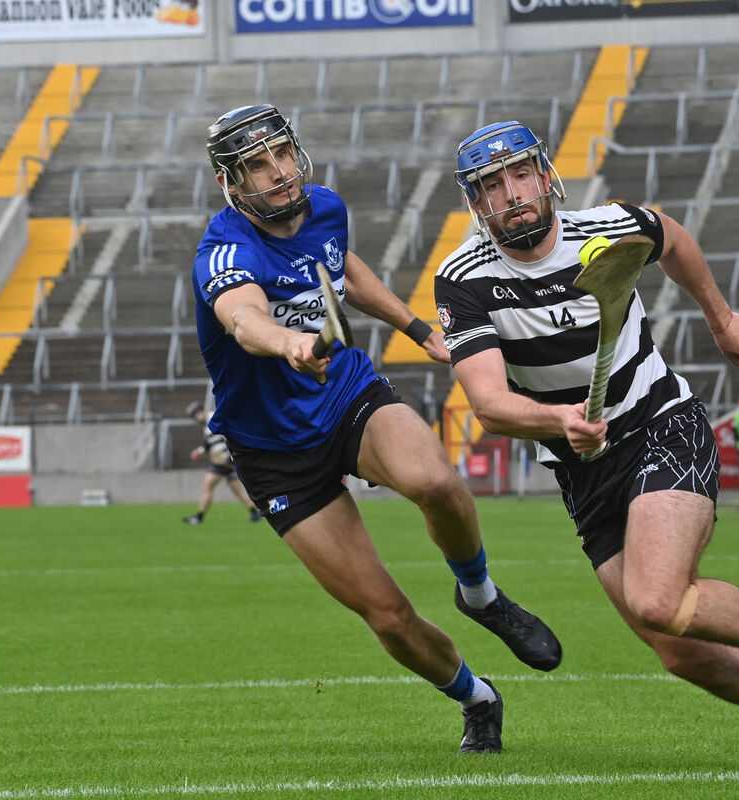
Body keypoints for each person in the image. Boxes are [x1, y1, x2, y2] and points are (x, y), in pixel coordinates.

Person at [435, 120, 739, 771]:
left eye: (519, 174)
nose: (511, 194)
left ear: (543, 175)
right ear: (476, 203)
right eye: (491, 186)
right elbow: (486, 402)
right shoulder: (464, 279)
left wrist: (721, 317)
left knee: (657, 597)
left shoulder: (605, 230)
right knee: (680, 650)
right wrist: (559, 421)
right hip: (584, 469)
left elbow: (671, 236)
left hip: (660, 425)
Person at [191, 104, 564, 754]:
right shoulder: (224, 250)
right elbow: (242, 315)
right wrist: (286, 342)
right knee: (387, 615)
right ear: (230, 182)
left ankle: (479, 594)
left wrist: (416, 329)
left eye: (282, 153)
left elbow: (344, 267)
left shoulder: (325, 206)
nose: (278, 173)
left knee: (436, 482)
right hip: (272, 449)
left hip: (345, 395)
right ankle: (477, 698)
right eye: (256, 165)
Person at [182, 400, 262, 525]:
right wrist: (200, 451)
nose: (195, 419)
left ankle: (199, 517)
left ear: (199, 412)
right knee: (237, 489)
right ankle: (254, 513)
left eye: (194, 416)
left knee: (207, 486)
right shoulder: (209, 422)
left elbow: (226, 436)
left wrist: (229, 457)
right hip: (225, 461)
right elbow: (211, 443)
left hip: (222, 461)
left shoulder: (213, 419)